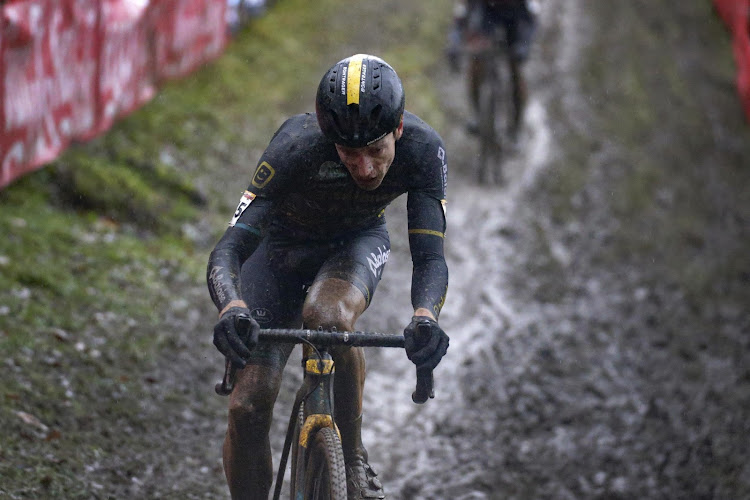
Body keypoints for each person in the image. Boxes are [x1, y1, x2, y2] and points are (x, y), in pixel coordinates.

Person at [206, 54, 450, 500]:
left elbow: (430, 257)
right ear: (326, 138)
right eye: (348, 154)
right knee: (247, 406)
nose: (365, 169)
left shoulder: (421, 150)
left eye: (376, 150)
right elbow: (229, 248)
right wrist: (232, 305)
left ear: (397, 129)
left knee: (329, 317)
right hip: (277, 254)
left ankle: (353, 462)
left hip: (353, 245)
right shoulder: (296, 145)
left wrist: (425, 317)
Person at [448, 0, 539, 141]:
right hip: (487, 15)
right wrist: (454, 43)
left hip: (515, 17)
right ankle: (478, 115)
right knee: (476, 61)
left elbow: (531, 18)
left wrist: (524, 46)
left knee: (516, 70)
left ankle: (516, 126)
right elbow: (462, 14)